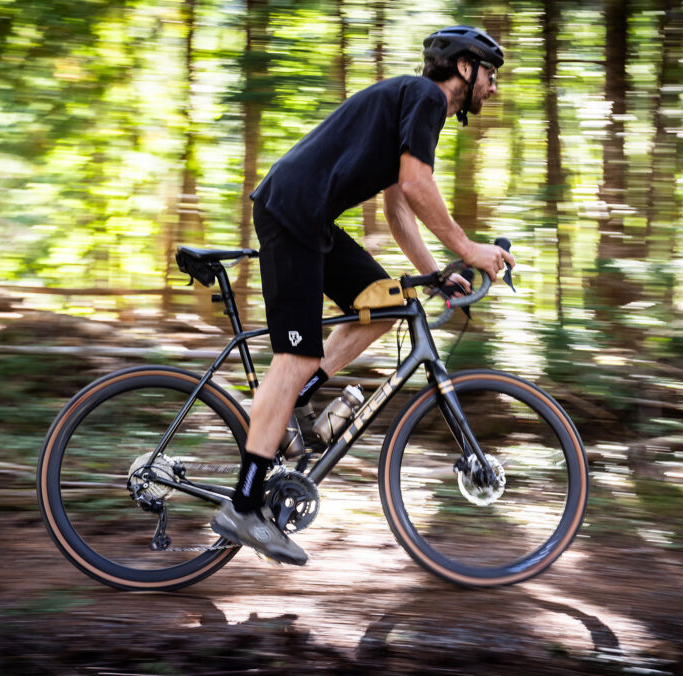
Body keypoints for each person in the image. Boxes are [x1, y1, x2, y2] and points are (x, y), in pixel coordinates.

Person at [210, 25, 517, 565]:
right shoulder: (425, 97)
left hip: (308, 217)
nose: (493, 87)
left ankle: (290, 403)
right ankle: (244, 506)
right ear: (465, 68)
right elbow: (419, 187)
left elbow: (401, 207)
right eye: (491, 74)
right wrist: (469, 249)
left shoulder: (416, 108)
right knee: (294, 355)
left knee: (387, 302)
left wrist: (436, 272)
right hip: (292, 214)